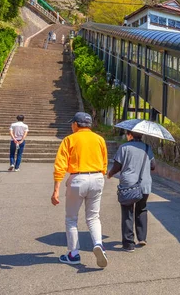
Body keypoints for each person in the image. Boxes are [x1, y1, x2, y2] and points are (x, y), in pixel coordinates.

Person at [52, 112, 109, 267]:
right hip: (97, 177)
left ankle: (73, 254)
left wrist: (56, 189)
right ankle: (98, 244)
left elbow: (60, 165)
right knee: (93, 217)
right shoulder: (99, 139)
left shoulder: (69, 139)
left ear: (76, 124)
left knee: (71, 218)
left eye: (73, 123)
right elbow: (104, 162)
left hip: (78, 178)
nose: (72, 126)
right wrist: (100, 174)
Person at [107, 131, 155, 252]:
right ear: (141, 135)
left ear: (130, 135)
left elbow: (117, 166)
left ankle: (129, 244)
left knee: (127, 211)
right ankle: (142, 238)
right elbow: (153, 166)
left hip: (128, 185)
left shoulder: (124, 147)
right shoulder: (147, 147)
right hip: (144, 184)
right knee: (142, 209)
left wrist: (110, 174)